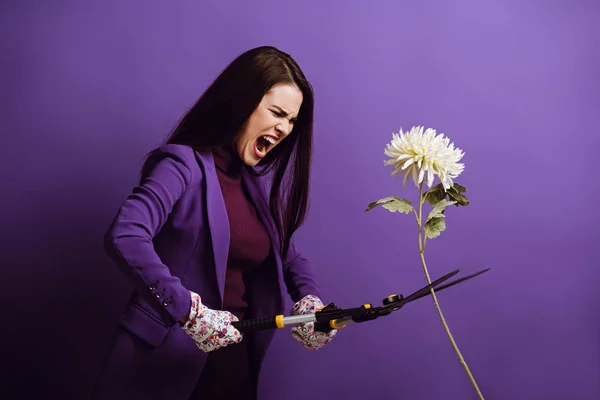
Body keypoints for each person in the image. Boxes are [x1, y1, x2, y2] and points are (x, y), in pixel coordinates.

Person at [91, 46, 338, 400]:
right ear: (242, 101)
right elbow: (125, 235)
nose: (284, 128)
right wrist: (187, 310)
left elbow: (288, 255)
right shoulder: (180, 166)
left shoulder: (252, 185)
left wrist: (310, 301)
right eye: (277, 113)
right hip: (163, 362)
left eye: (292, 121)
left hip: (232, 363)